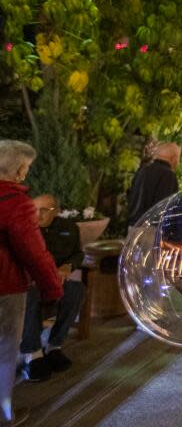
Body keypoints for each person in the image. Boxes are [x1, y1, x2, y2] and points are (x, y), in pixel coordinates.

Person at [0, 140, 62, 427]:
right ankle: (3, 415)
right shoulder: (16, 204)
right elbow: (34, 253)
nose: (26, 175)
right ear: (18, 170)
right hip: (5, 288)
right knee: (4, 351)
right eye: (26, 169)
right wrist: (52, 287)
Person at [19, 195, 85, 382]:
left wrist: (68, 266)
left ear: (56, 211)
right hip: (30, 283)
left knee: (76, 290)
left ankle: (54, 345)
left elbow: (78, 253)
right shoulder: (23, 228)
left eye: (44, 210)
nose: (38, 215)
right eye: (34, 209)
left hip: (56, 281)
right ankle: (33, 353)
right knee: (30, 295)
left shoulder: (69, 228)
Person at [126, 142, 180, 227]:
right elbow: (165, 207)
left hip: (134, 226)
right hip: (152, 230)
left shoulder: (143, 170)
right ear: (173, 158)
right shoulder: (168, 175)